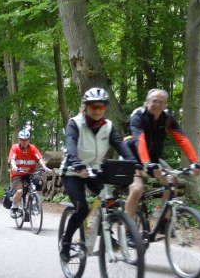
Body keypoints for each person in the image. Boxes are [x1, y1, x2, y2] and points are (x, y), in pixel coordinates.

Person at [58, 87, 142, 262]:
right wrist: (76, 163)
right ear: (86, 107)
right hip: (73, 171)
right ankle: (66, 242)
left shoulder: (108, 126)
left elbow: (120, 145)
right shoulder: (75, 123)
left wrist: (133, 162)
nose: (97, 110)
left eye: (101, 107)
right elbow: (70, 143)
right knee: (81, 209)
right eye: (93, 107)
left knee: (109, 201)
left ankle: (104, 231)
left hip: (94, 170)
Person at [125, 89, 200, 235]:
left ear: (165, 104)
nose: (158, 104)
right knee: (136, 189)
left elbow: (182, 139)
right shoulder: (138, 115)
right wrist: (146, 163)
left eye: (161, 102)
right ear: (147, 102)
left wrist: (195, 162)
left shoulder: (167, 118)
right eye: (154, 101)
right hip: (132, 157)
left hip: (153, 159)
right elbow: (139, 139)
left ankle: (162, 221)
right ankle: (128, 229)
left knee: (172, 181)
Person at [7, 129, 50, 218]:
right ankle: (14, 207)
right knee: (20, 191)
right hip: (17, 174)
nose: (24, 142)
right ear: (19, 140)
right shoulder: (15, 148)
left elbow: (39, 158)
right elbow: (12, 159)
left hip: (30, 173)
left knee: (39, 182)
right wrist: (14, 166)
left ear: (28, 140)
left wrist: (44, 167)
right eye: (22, 140)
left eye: (26, 140)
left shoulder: (33, 148)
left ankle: (34, 201)